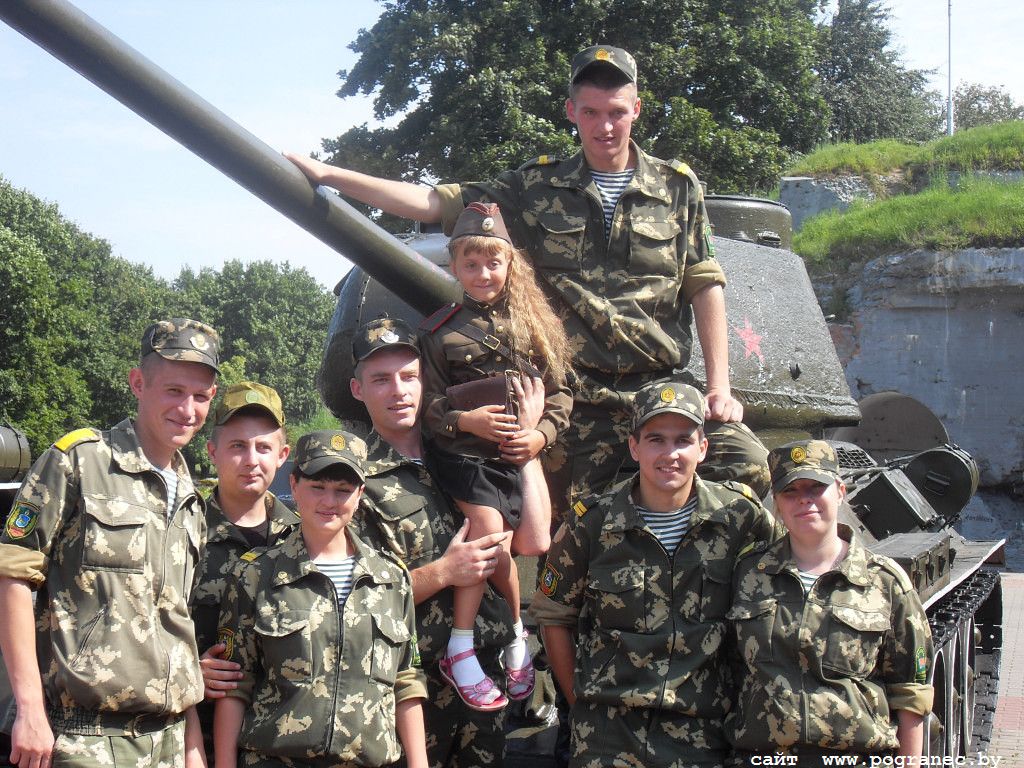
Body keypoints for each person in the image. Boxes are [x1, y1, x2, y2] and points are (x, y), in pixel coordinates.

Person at [285, 43, 770, 516]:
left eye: (617, 112)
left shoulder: (677, 186)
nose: (604, 126)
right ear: (571, 111)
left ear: (636, 110)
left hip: (657, 386)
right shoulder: (536, 188)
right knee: (540, 506)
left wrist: (719, 386)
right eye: (591, 112)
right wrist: (328, 175)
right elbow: (433, 203)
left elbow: (704, 282)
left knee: (745, 463)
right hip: (573, 394)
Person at [0, 318, 220, 768]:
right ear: (138, 383)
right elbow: (12, 576)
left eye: (200, 396)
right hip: (84, 737)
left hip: (169, 739)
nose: (187, 409)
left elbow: (175, 626)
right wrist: (29, 710)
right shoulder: (79, 461)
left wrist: (192, 745)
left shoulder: (192, 499)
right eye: (174, 391)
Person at [530, 380, 780, 768]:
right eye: (656, 440)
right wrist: (579, 702)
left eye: (683, 440)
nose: (670, 453)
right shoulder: (592, 522)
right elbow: (553, 616)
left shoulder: (740, 518)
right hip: (608, 732)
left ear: (703, 448)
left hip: (705, 730)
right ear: (634, 447)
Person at [347, 316, 521, 766]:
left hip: (485, 674)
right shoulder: (350, 482)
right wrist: (443, 573)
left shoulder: (465, 451)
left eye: (409, 376)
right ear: (357, 390)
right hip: (409, 689)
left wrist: (530, 444)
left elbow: (533, 536)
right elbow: (350, 599)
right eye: (381, 380)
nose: (398, 391)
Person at [419, 201, 573, 711]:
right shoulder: (440, 332)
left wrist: (539, 437)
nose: (483, 274)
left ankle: (514, 632)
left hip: (514, 455)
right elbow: (427, 405)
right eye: (470, 264)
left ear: (510, 264)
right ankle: (462, 646)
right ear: (454, 266)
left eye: (493, 262)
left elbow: (561, 395)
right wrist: (466, 421)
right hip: (462, 456)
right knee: (488, 532)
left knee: (516, 544)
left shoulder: (534, 327)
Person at [212, 430, 428, 768]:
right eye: (317, 487)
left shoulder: (391, 579)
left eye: (343, 490)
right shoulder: (255, 575)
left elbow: (406, 682)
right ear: (294, 485)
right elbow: (235, 686)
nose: (329, 501)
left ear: (359, 494)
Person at [725, 440, 933, 766]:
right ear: (776, 502)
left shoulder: (884, 582)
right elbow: (729, 671)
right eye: (790, 491)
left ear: (840, 491)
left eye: (816, 487)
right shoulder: (749, 574)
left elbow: (911, 693)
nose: (804, 499)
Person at [191, 381, 297, 753]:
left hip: (281, 743)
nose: (251, 460)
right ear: (213, 452)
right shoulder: (183, 533)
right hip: (196, 737)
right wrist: (185, 669)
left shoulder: (304, 539)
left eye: (263, 447)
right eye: (237, 446)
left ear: (282, 455)